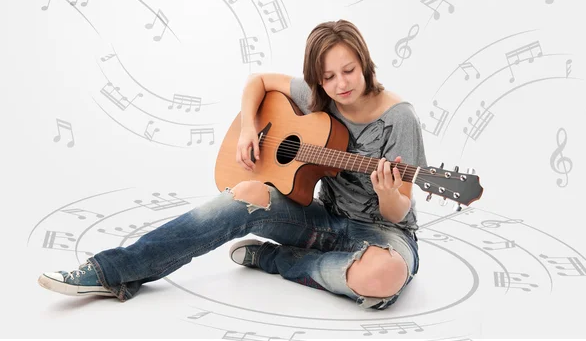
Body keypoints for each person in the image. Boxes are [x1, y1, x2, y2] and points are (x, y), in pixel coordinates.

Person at [38, 19, 428, 310]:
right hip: (324, 220)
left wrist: (386, 194)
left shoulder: (400, 118)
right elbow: (257, 81)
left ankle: (276, 259)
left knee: (383, 276)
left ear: (365, 63)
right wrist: (248, 129)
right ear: (317, 79)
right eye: (328, 77)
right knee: (246, 193)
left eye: (349, 71)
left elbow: (400, 210)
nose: (341, 84)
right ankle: (111, 270)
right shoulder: (317, 98)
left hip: (385, 235)